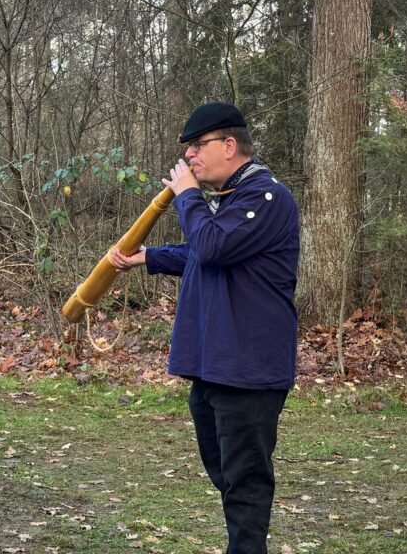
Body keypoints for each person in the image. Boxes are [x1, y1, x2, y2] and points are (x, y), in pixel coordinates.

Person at [109, 101, 300, 553]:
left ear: (229, 145)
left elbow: (212, 246)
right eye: (189, 150)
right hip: (214, 365)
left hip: (248, 368)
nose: (189, 157)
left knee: (246, 482)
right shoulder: (230, 201)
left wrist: (186, 194)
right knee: (226, 474)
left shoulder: (267, 196)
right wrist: (149, 257)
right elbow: (203, 251)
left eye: (198, 146)